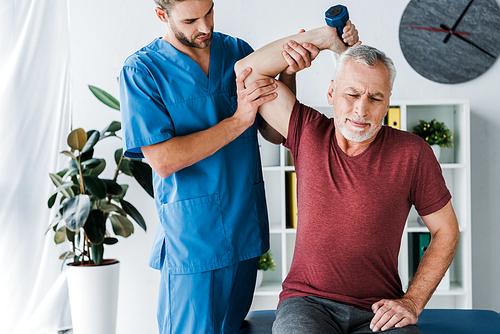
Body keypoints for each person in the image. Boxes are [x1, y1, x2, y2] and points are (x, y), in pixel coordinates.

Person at [119, 0, 359, 332]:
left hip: (243, 230)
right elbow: (163, 160)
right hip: (193, 242)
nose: (205, 27)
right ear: (162, 15)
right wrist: (237, 120)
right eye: (190, 20)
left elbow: (276, 134)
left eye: (209, 12)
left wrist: (288, 73)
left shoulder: (237, 53)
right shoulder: (142, 71)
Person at [235, 26, 460, 334]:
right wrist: (323, 39)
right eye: (352, 94)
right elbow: (247, 72)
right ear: (331, 92)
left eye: (375, 98)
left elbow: (446, 231)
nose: (361, 109)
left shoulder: (412, 153)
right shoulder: (308, 131)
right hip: (307, 302)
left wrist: (412, 302)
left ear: (388, 103)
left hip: (379, 310)